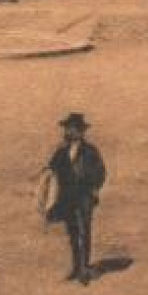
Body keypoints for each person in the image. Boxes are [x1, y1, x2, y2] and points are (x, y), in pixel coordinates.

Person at [42, 113, 106, 285]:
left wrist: (93, 189)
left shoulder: (91, 151)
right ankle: (76, 267)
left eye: (71, 129)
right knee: (73, 233)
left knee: (84, 231)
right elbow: (51, 169)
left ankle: (84, 269)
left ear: (80, 131)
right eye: (67, 129)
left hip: (84, 197)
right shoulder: (61, 151)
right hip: (67, 198)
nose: (67, 132)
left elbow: (101, 173)